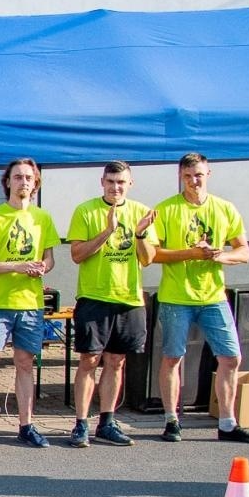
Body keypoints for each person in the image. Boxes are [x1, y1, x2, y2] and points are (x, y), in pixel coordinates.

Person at [152, 153, 249, 444]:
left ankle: (227, 423)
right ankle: (171, 420)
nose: (194, 181)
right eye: (188, 176)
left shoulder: (224, 208)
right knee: (173, 357)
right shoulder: (166, 209)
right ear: (180, 176)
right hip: (176, 297)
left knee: (231, 357)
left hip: (214, 296)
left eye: (199, 175)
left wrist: (220, 256)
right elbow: (153, 254)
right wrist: (191, 253)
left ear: (208, 174)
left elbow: (244, 252)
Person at [0, 158, 62, 450]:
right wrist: (15, 266)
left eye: (29, 178)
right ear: (8, 182)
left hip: (30, 303)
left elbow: (49, 258)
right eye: (18, 177)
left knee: (25, 364)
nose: (23, 182)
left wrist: (42, 267)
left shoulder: (42, 218)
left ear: (36, 183)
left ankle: (26, 425)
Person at [66, 160, 158, 447]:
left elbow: (148, 259)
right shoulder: (86, 210)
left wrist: (140, 234)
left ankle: (107, 422)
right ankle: (81, 423)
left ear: (130, 184)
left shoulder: (142, 212)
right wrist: (107, 231)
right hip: (94, 297)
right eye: (110, 182)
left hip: (129, 298)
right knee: (89, 360)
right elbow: (77, 255)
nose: (115, 187)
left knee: (116, 361)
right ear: (102, 182)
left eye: (121, 182)